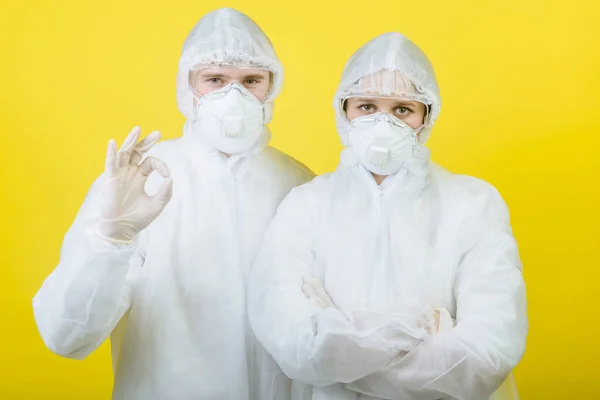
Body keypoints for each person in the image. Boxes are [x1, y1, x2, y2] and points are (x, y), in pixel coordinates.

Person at [33, 8, 313, 400]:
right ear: (188, 87)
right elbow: (66, 335)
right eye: (215, 80)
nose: (234, 95)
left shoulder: (299, 183)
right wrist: (111, 239)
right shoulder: (141, 180)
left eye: (251, 80)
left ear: (272, 86)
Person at [248, 32, 527, 400]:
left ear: (426, 116)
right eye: (366, 107)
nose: (383, 124)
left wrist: (341, 346)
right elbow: (288, 338)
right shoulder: (307, 204)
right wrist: (426, 340)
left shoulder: (474, 204)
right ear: (343, 111)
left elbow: (486, 354)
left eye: (402, 109)